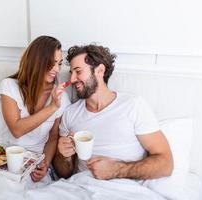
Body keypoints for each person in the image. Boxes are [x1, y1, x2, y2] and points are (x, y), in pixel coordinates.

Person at [53, 44, 173, 180]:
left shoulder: (133, 106)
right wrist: (64, 157)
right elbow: (63, 173)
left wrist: (117, 170)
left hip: (120, 190)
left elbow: (166, 163)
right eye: (71, 73)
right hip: (78, 188)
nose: (72, 79)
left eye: (78, 72)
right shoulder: (70, 113)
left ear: (100, 70)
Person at [0, 36, 71, 182]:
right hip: (8, 156)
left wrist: (45, 163)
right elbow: (17, 130)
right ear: (37, 61)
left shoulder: (60, 97)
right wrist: (52, 107)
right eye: (52, 63)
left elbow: (53, 137)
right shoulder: (9, 86)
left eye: (59, 64)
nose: (57, 70)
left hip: (35, 161)